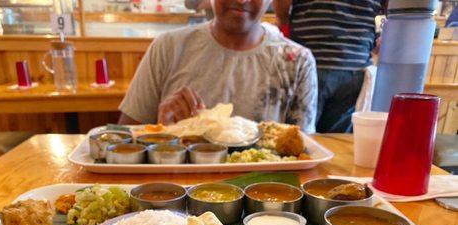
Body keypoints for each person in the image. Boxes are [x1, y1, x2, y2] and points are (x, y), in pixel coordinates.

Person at [119, 0, 318, 133]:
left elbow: (303, 150)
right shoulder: (167, 47)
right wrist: (161, 131)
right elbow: (125, 137)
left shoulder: (298, 61)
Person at [274, 0, 386, 133]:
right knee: (336, 140)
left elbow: (282, 5)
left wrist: (282, 19)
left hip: (311, 61)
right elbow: (388, 9)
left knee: (298, 138)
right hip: (355, 63)